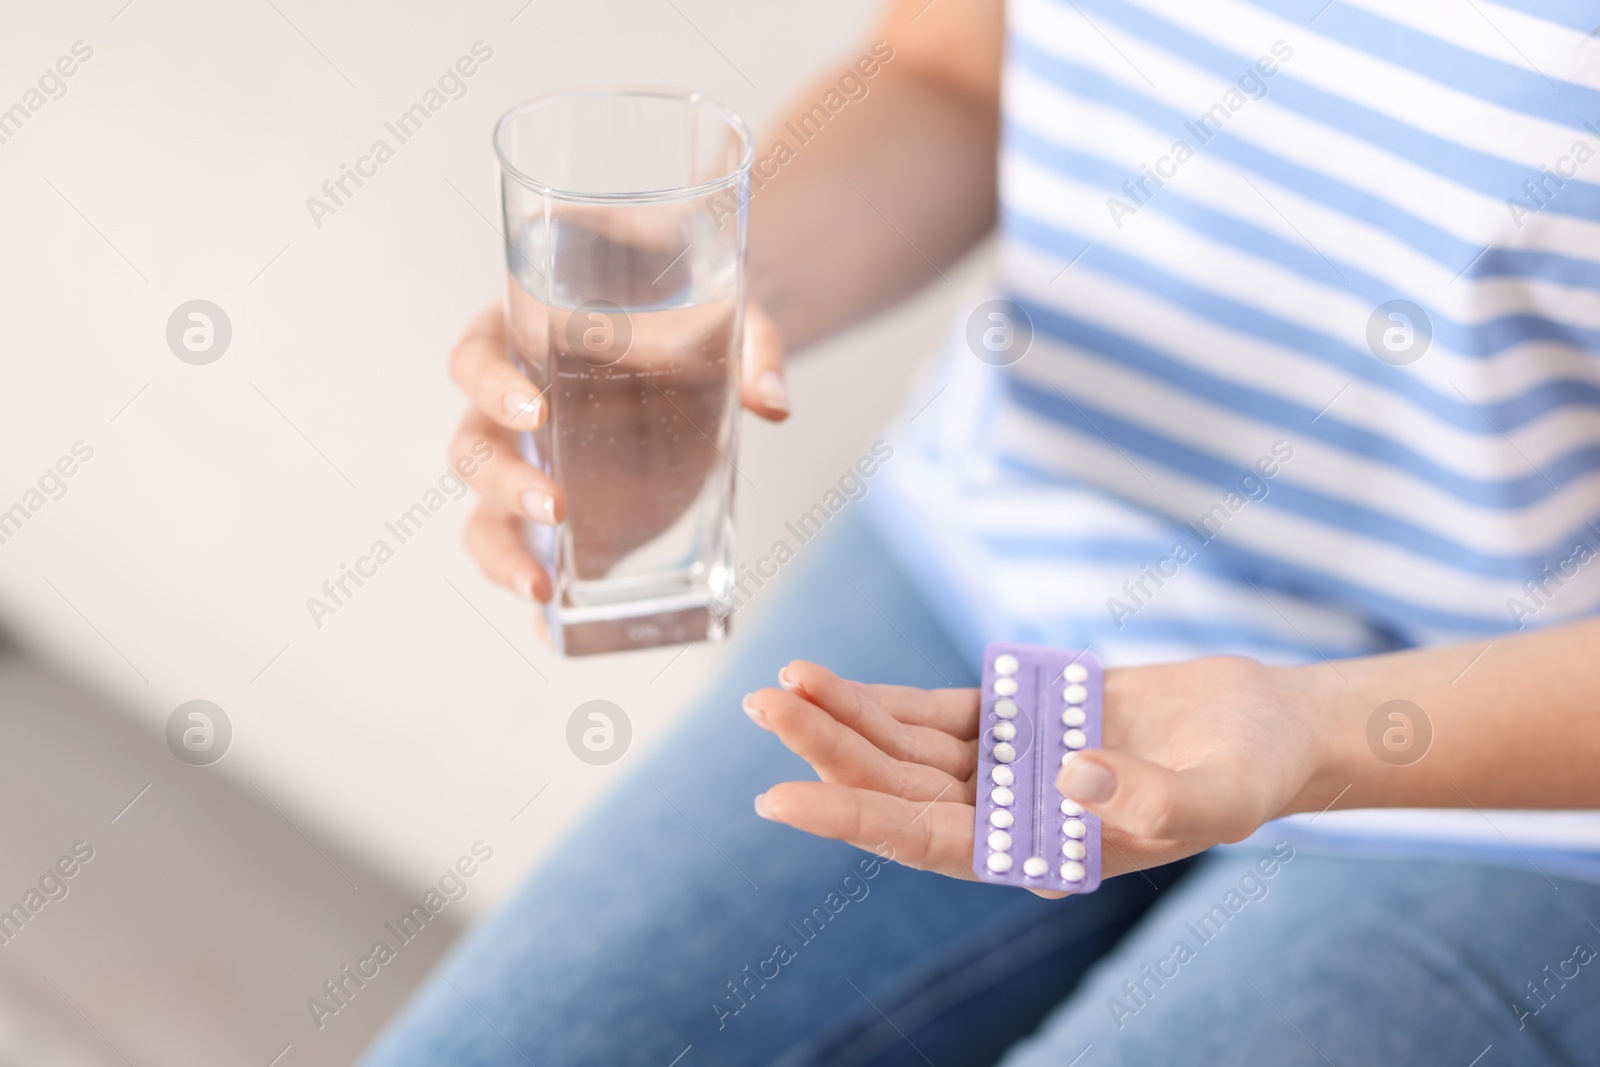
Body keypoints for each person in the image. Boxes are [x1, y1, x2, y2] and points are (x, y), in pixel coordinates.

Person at [362, 0, 1600, 1063]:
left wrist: (1315, 730)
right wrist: (708, 312)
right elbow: (956, 70)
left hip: (1524, 776)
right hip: (1016, 557)